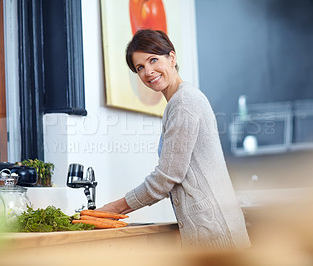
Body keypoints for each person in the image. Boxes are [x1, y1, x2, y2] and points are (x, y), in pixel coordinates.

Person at [97, 29, 251, 249]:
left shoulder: (183, 102)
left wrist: (115, 208)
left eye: (153, 60)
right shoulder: (181, 100)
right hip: (217, 229)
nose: (148, 72)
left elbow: (167, 176)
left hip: (216, 234)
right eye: (140, 67)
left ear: (172, 58)